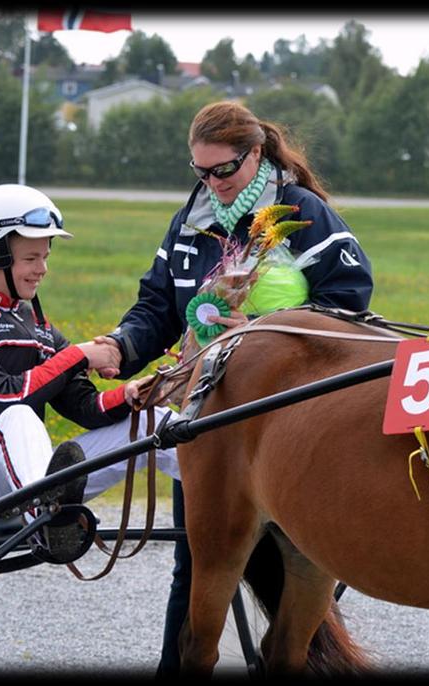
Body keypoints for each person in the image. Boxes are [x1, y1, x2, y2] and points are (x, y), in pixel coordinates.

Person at [90, 101, 374, 673]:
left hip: (288, 420)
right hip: (208, 413)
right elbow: (157, 306)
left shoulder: (300, 211)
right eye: (201, 173)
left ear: (257, 154)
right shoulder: (191, 220)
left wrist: (267, 332)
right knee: (196, 566)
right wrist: (120, 346)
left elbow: (351, 300)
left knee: (309, 562)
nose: (214, 184)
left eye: (225, 170)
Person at [0, 183, 180, 562]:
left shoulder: (39, 328)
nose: (43, 269)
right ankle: (48, 520)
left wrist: (132, 395)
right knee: (18, 417)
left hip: (29, 479)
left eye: (46, 257)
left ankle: (244, 498)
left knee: (156, 421)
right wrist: (80, 354)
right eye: (31, 258)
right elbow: (3, 398)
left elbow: (84, 406)